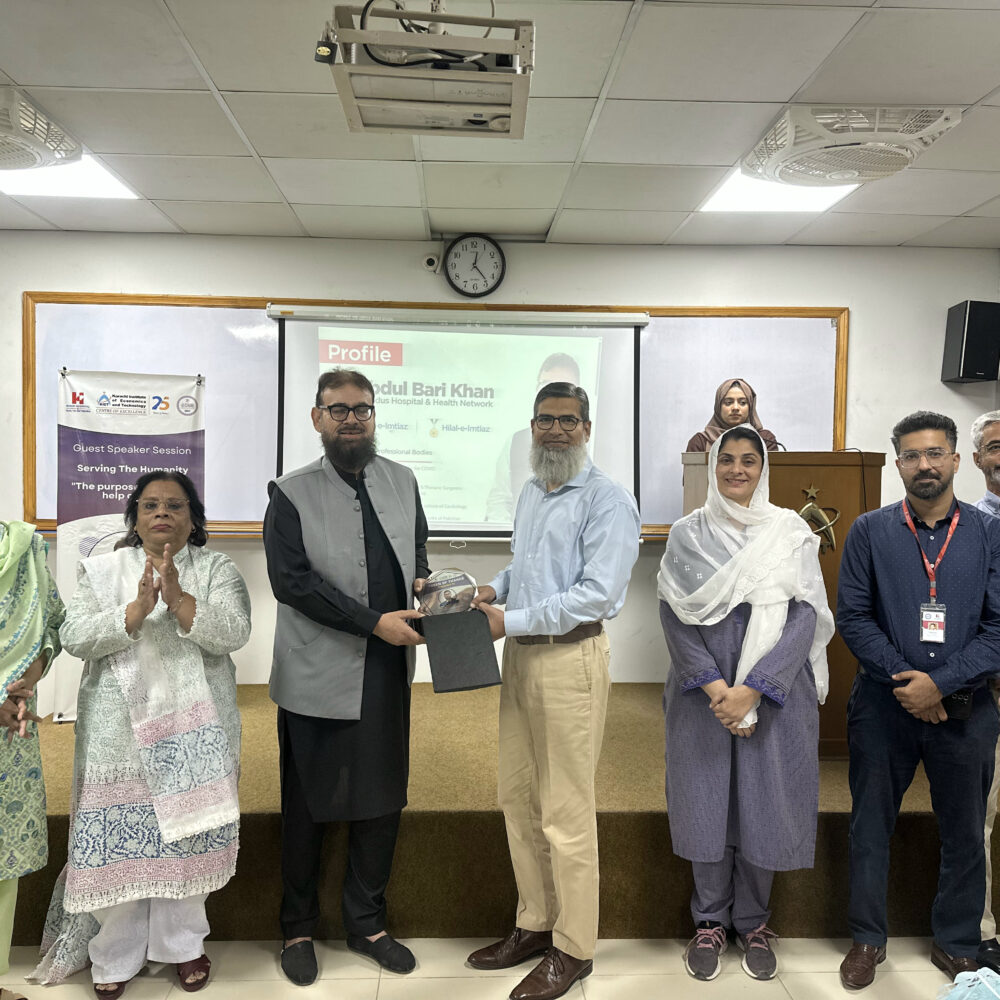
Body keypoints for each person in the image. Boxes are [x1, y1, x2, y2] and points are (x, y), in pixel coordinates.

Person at [32, 472, 250, 996]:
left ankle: (183, 944)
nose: (162, 514)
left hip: (198, 731)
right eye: (150, 505)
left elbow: (235, 632)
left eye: (175, 505)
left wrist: (178, 599)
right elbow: (75, 636)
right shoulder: (103, 571)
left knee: (188, 838)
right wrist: (135, 611)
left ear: (193, 519)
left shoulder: (217, 568)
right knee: (119, 846)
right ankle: (114, 954)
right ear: (134, 517)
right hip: (119, 731)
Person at [467, 381, 640, 1000]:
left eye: (569, 421)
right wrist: (494, 589)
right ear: (533, 426)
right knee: (518, 799)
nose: (557, 431)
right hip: (521, 657)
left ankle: (574, 947)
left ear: (587, 428)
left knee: (566, 811)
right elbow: (529, 568)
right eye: (546, 420)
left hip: (571, 661)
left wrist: (508, 618)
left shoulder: (608, 500)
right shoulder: (533, 491)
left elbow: (597, 595)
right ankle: (536, 922)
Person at [264, 368, 429, 986]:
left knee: (383, 799)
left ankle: (367, 923)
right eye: (339, 410)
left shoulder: (403, 480)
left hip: (386, 671)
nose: (352, 419)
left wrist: (425, 586)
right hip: (316, 671)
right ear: (317, 418)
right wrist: (372, 622)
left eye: (362, 409)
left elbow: (416, 552)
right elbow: (292, 583)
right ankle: (297, 927)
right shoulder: (289, 492)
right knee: (307, 806)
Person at [657, 425, 834, 981]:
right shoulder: (687, 533)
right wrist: (717, 689)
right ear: (713, 466)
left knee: (766, 800)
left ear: (763, 468)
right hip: (702, 695)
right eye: (727, 459)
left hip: (775, 692)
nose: (737, 469)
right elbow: (672, 613)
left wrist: (754, 689)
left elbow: (805, 616)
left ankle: (754, 921)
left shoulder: (790, 532)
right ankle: (709, 920)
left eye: (749, 460)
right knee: (705, 800)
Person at [837, 411, 1000, 989]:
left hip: (967, 710)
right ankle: (867, 939)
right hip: (883, 708)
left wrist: (942, 683)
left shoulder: (989, 534)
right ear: (898, 464)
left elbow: (998, 628)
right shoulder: (869, 531)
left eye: (934, 453)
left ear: (956, 460)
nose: (924, 464)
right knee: (869, 825)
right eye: (911, 455)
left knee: (965, 831)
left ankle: (956, 943)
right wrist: (911, 684)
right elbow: (853, 617)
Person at [0, 520, 65, 976]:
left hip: (13, 726)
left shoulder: (23, 547)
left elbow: (54, 624)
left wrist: (30, 676)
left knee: (3, 856)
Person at [970, 409, 1000, 974]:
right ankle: (981, 931)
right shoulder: (969, 528)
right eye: (995, 446)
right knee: (981, 819)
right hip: (992, 689)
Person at [485, 353, 581, 522]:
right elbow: (499, 502)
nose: (552, 395)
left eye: (563, 388)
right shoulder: (515, 443)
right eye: (546, 385)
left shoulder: (592, 449)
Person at [685, 378, 779, 453]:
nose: (735, 408)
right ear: (718, 407)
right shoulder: (700, 442)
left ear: (750, 407)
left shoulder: (765, 439)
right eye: (728, 402)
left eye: (742, 402)